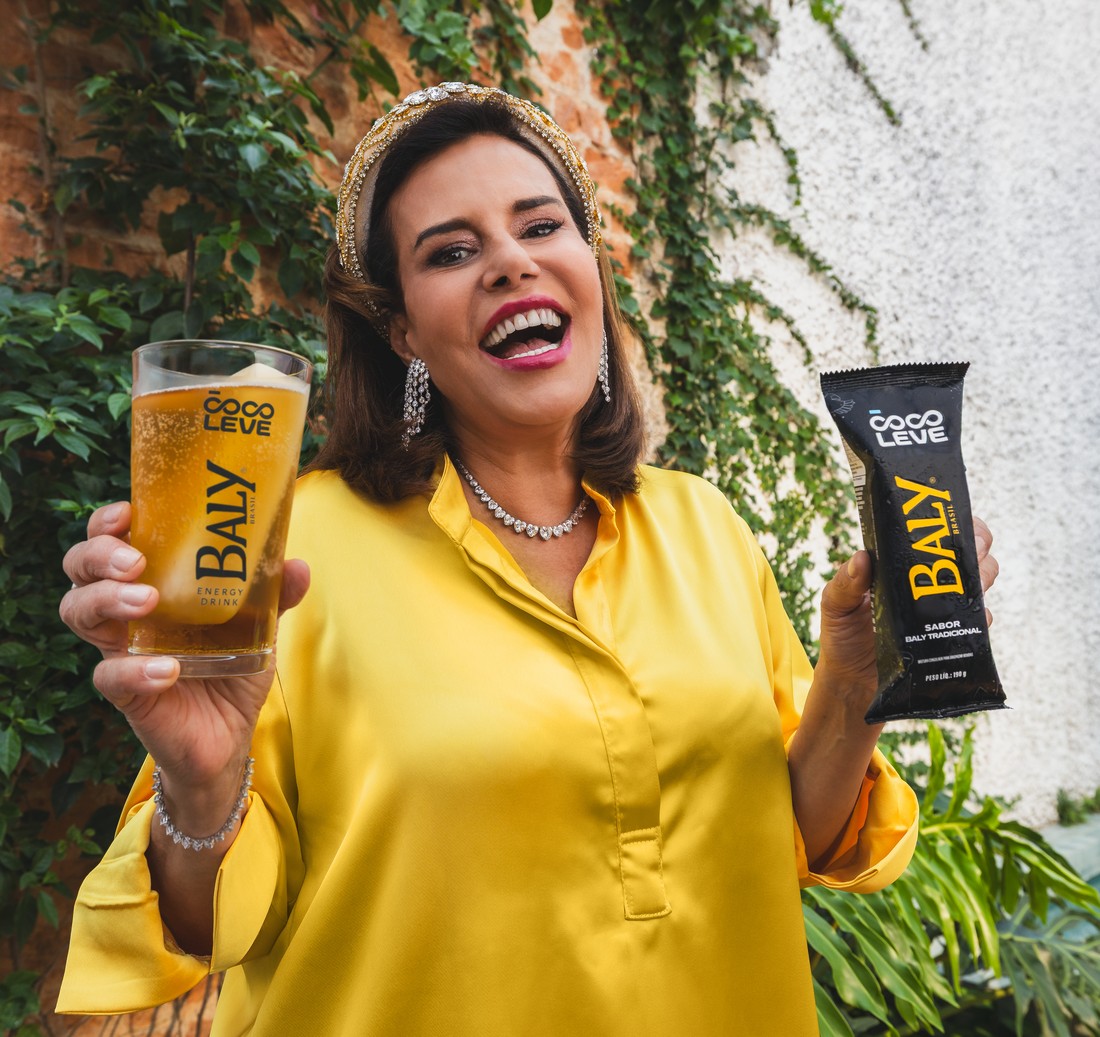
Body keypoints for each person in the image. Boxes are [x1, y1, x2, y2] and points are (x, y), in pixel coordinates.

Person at [56, 82, 997, 1035]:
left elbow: (792, 833)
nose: (511, 261)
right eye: (451, 251)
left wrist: (855, 680)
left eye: (542, 226)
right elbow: (207, 927)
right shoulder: (288, 551)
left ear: (590, 270)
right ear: (402, 329)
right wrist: (203, 783)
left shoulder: (704, 524)